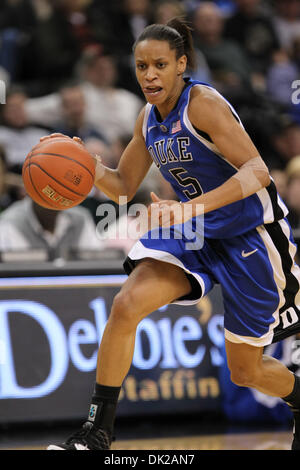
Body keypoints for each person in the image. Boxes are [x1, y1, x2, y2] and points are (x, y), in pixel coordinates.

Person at [45, 17, 300, 451]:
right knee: (125, 306)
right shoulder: (148, 118)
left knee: (247, 371)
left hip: (250, 235)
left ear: (181, 64)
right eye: (141, 66)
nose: (149, 75)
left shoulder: (202, 103)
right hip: (195, 230)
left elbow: (258, 171)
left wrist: (188, 208)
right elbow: (123, 187)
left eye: (159, 65)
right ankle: (96, 432)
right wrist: (86, 166)